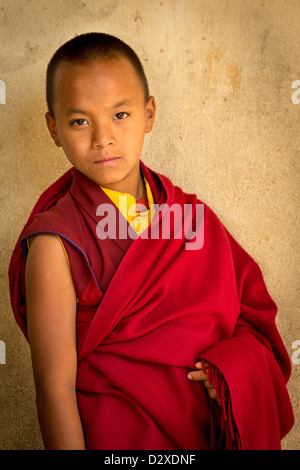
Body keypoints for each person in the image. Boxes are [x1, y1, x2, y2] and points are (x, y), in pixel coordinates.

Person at [9, 32, 294, 450]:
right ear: (53, 128)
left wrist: (232, 376)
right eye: (79, 121)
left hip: (203, 433)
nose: (102, 138)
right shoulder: (56, 242)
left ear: (149, 113)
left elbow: (251, 316)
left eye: (120, 115)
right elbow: (54, 390)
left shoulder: (190, 218)